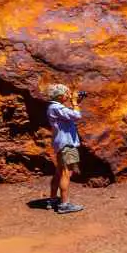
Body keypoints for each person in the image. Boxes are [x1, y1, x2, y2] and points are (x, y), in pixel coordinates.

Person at [45, 83, 85, 214]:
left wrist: (75, 103)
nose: (69, 96)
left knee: (59, 171)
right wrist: (75, 103)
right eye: (67, 94)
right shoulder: (57, 108)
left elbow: (69, 114)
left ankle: (52, 199)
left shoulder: (54, 107)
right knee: (66, 173)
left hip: (61, 143)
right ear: (61, 96)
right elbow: (77, 116)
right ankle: (64, 204)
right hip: (67, 144)